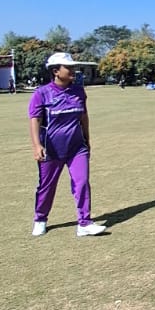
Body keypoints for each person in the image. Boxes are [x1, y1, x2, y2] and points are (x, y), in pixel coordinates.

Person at [28, 53, 106, 237]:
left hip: (77, 148)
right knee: (47, 187)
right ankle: (40, 218)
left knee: (82, 183)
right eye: (68, 68)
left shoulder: (79, 91)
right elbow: (35, 120)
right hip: (51, 150)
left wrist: (87, 139)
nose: (73, 71)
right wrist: (36, 145)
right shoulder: (42, 93)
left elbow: (83, 116)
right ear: (56, 71)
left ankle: (84, 223)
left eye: (73, 67)